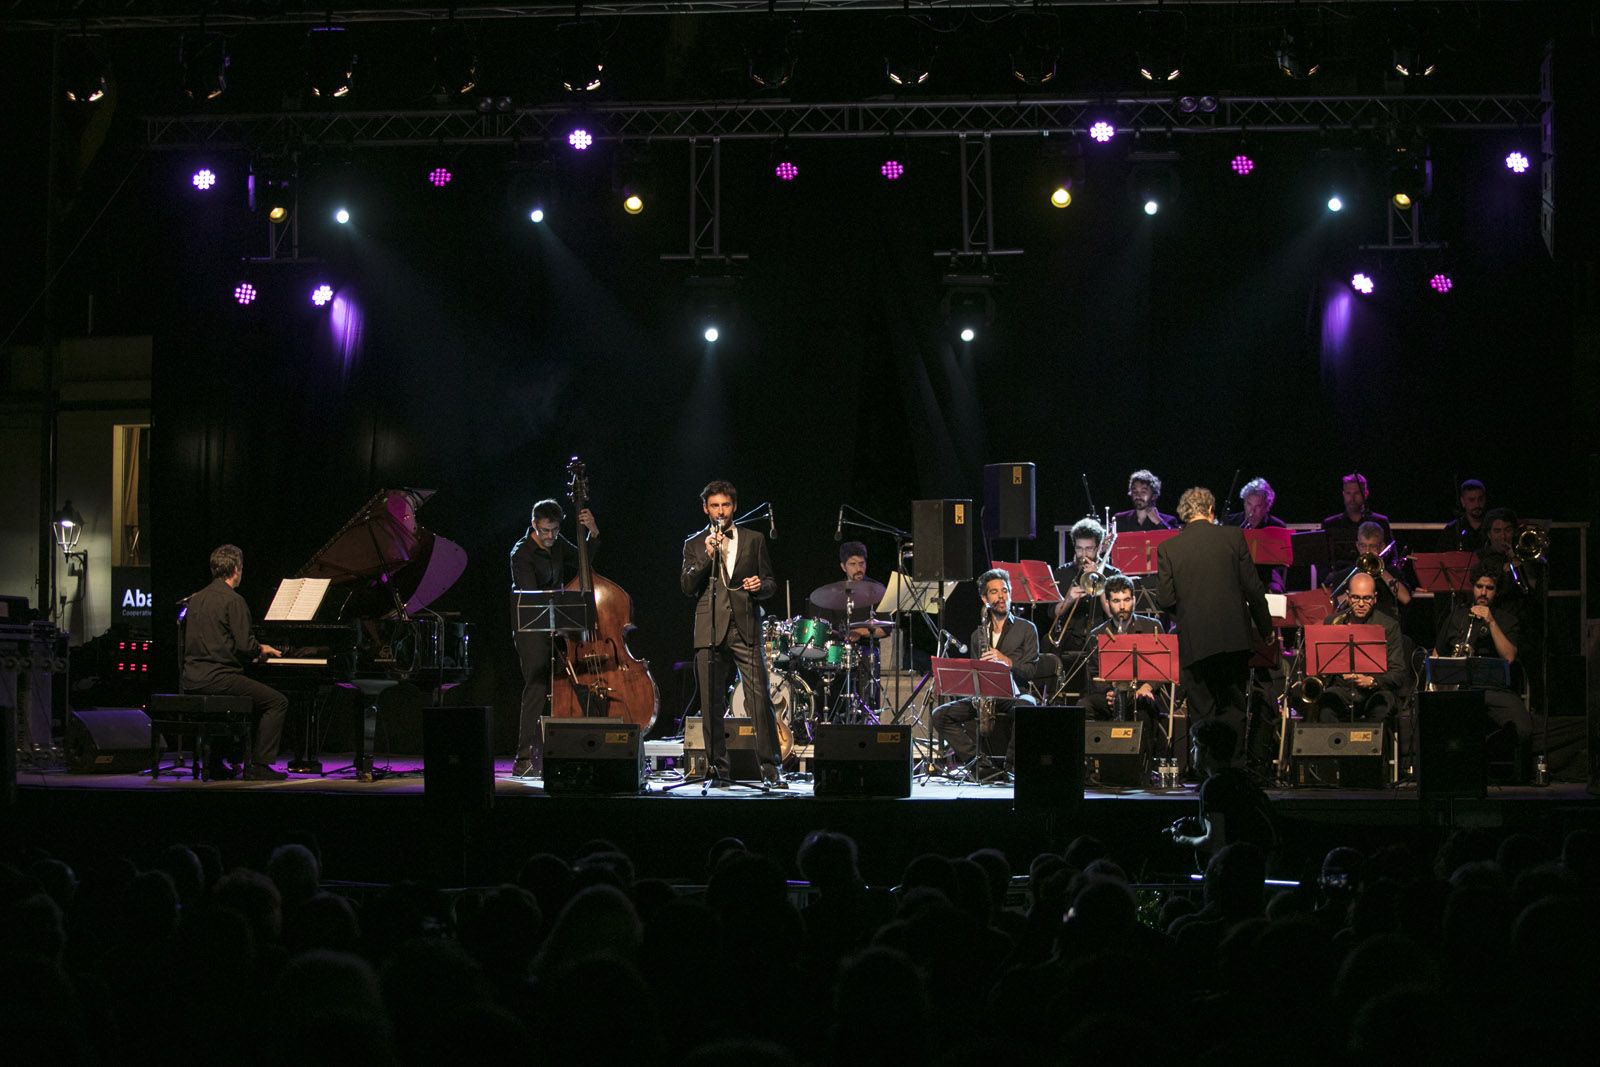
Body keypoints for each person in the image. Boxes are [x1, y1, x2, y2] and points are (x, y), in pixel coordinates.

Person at [680, 480, 783, 787]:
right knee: (711, 702)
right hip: (709, 628)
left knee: (759, 698)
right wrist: (707, 557)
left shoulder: (754, 539)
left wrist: (759, 586)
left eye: (725, 505)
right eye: (714, 506)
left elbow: (770, 583)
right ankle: (717, 768)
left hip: (745, 627)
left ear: (734, 507)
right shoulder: (695, 543)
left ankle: (770, 766)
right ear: (705, 509)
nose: (720, 511)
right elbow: (687, 586)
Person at [1156, 487, 1275, 747]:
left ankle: (1205, 773)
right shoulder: (1233, 537)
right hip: (1233, 639)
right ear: (1211, 510)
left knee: (1201, 710)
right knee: (1233, 707)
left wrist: (1188, 618)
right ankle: (1233, 770)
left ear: (1184, 513)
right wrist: (1266, 628)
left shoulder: (1168, 548)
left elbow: (1164, 600)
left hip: (1195, 641)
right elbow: (1253, 589)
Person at [180, 544, 288, 780]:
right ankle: (260, 765)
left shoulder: (195, 600)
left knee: (248, 696)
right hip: (220, 679)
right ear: (237, 569)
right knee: (276, 702)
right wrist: (261, 649)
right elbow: (245, 646)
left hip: (192, 678)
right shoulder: (234, 600)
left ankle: (217, 762)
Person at [508, 498, 599, 778]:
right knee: (536, 683)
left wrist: (592, 533)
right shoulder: (521, 553)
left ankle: (583, 747)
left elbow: (584, 560)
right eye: (545, 530)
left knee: (575, 679)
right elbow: (531, 596)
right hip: (531, 628)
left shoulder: (558, 543)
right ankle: (523, 757)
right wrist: (554, 618)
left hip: (558, 623)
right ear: (535, 525)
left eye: (555, 530)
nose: (550, 537)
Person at [930, 568, 1041, 777]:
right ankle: (979, 765)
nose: (1001, 596)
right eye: (994, 592)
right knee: (940, 715)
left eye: (1005, 591)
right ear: (984, 598)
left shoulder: (1027, 629)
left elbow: (1030, 671)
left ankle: (1010, 767)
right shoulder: (978, 634)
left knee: (1028, 705)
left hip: (1013, 694)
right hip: (984, 696)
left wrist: (1006, 662)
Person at [1433, 563, 1533, 745]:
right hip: (1460, 690)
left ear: (1497, 591)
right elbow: (1437, 655)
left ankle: (1493, 749)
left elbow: (1509, 657)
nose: (1483, 593)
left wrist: (1491, 622)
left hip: (1495, 691)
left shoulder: (1506, 620)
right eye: (1479, 587)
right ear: (1473, 588)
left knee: (1523, 727)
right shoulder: (1456, 616)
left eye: (1490, 588)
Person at [1169, 719, 1277, 856]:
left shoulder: (1213, 786)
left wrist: (1182, 839)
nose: (1191, 750)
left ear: (1207, 750)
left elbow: (1214, 842)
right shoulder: (1242, 779)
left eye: (1195, 745)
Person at [1312, 572, 1406, 724]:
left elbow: (1398, 673)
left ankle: (1373, 748)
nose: (1361, 604)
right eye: (1356, 597)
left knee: (1383, 706)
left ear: (1375, 598)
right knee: (1326, 706)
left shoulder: (1388, 626)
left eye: (1367, 598)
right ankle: (1334, 748)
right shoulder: (1333, 621)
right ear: (1348, 596)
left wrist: (1372, 681)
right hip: (1342, 690)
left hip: (1375, 691)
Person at [1081, 575, 1168, 728]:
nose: (1122, 606)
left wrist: (1147, 687)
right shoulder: (1097, 634)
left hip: (1142, 693)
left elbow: (1163, 667)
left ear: (1134, 600)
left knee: (1143, 708)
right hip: (1113, 693)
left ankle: (1143, 752)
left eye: (1127, 600)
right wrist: (1109, 692)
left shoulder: (1152, 627)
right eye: (1116, 601)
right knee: (1084, 705)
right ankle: (1095, 751)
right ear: (1107, 603)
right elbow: (1095, 673)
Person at [1048, 517, 1120, 654]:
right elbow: (1052, 613)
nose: (1084, 554)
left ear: (1099, 548)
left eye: (1089, 549)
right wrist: (1069, 598)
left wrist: (1099, 582)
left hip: (1103, 640)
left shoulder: (1112, 574)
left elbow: (1113, 614)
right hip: (1069, 642)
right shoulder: (1062, 573)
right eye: (1079, 548)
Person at [1326, 520, 1411, 619]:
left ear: (1382, 547)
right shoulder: (1344, 574)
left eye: (1372, 546)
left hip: (1385, 627)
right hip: (1355, 626)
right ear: (1357, 546)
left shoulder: (1392, 572)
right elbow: (1337, 607)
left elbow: (1406, 599)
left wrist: (1380, 570)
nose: (1367, 551)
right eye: (1363, 545)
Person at [1224, 476, 1288, 594]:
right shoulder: (1231, 523)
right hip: (1237, 573)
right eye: (1249, 504)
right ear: (1244, 502)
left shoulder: (1277, 526)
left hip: (1265, 575)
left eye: (1258, 506)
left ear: (1267, 507)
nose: (1252, 511)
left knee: (1274, 590)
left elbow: (1282, 563)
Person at [1320, 472, 1392, 570]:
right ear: (1343, 494)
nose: (1352, 498)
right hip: (1341, 581)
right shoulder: (1330, 524)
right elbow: (1321, 561)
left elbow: (1391, 557)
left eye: (1357, 493)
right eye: (1348, 493)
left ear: (1365, 494)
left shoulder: (1380, 522)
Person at [1437, 479, 1489, 553]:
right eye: (1472, 500)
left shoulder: (1494, 527)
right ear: (1462, 501)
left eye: (1480, 499)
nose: (1477, 504)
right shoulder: (1452, 530)